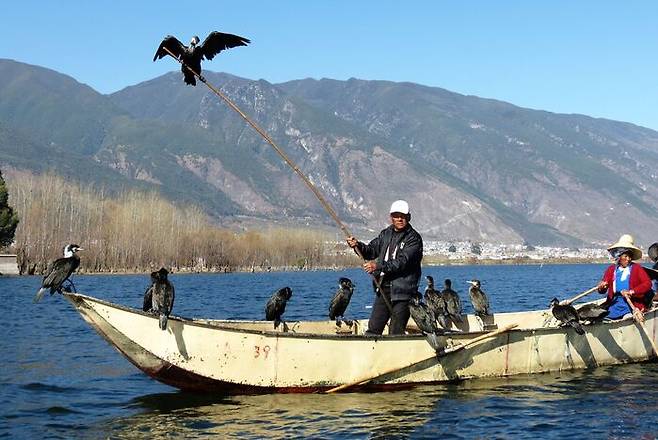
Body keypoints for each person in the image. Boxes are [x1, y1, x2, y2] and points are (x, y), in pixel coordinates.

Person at [346, 200, 423, 335]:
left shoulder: (414, 239)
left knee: (396, 332)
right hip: (383, 289)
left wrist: (377, 266)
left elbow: (401, 262)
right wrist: (357, 245)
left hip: (403, 293)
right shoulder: (385, 234)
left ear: (408, 217)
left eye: (402, 216)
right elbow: (371, 250)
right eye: (396, 215)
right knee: (373, 328)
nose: (399, 219)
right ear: (391, 217)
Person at [597, 234, 652, 320]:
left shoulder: (636, 268)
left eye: (630, 256)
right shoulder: (611, 269)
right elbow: (603, 290)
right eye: (625, 256)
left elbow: (647, 284)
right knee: (604, 319)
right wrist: (601, 287)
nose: (628, 259)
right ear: (619, 256)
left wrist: (631, 292)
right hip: (614, 304)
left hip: (631, 305)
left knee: (628, 318)